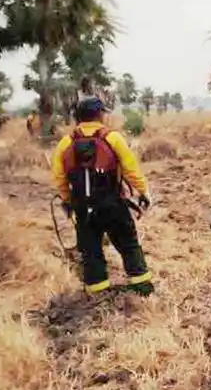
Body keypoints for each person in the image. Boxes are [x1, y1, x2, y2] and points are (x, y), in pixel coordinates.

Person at [51, 96, 153, 296]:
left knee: (90, 252)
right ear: (99, 115)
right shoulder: (112, 138)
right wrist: (143, 191)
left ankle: (98, 295)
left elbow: (59, 178)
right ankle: (142, 290)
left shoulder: (65, 143)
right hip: (112, 204)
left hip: (83, 208)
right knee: (129, 245)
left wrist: (69, 201)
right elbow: (131, 169)